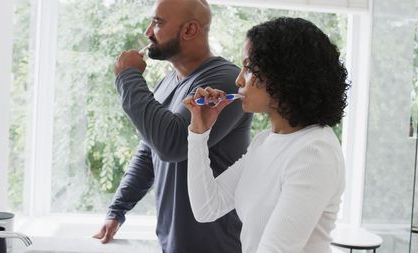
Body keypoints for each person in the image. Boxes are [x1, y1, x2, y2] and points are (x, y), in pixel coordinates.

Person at [92, 0, 253, 252]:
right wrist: (117, 211)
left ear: (189, 31)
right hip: (173, 243)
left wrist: (128, 77)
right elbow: (149, 151)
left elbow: (174, 144)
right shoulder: (169, 81)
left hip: (217, 246)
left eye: (157, 23)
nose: (147, 32)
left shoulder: (223, 81)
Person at [183, 17, 350, 253]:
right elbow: (207, 207)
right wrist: (199, 132)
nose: (238, 80)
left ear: (284, 75)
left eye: (249, 68)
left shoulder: (314, 152)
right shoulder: (265, 142)